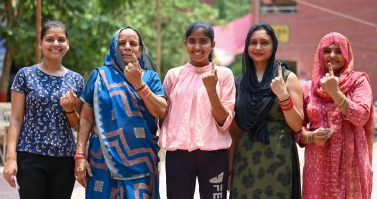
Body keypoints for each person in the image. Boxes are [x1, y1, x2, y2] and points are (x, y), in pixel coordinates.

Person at [74, 27, 166, 199]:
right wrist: (79, 156)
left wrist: (139, 84)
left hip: (141, 160)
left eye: (133, 43)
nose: (127, 47)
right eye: (121, 43)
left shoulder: (150, 78)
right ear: (113, 47)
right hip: (102, 156)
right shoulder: (99, 76)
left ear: (140, 50)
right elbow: (86, 118)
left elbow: (161, 110)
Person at [3, 20, 84, 199]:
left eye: (61, 39)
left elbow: (79, 126)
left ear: (67, 44)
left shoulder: (76, 80)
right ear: (40, 44)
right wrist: (10, 159)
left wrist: (69, 109)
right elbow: (16, 120)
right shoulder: (25, 75)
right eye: (50, 39)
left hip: (64, 159)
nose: (56, 44)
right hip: (30, 155)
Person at [159, 21, 236, 199]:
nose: (197, 46)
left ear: (213, 44)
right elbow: (163, 115)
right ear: (185, 43)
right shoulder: (173, 75)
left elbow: (224, 121)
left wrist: (211, 89)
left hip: (213, 155)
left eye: (203, 41)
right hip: (178, 154)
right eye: (192, 41)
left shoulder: (224, 75)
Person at [229, 22, 304, 199]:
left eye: (264, 42)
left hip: (279, 157)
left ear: (274, 45)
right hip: (245, 159)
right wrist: (230, 168)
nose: (258, 47)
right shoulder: (239, 83)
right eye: (253, 42)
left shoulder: (287, 78)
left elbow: (297, 124)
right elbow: (234, 132)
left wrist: (283, 95)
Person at [296, 32, 374, 198]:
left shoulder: (358, 82)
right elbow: (296, 128)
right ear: (320, 54)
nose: (332, 55)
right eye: (327, 51)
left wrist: (335, 92)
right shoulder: (309, 88)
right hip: (317, 164)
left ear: (347, 54)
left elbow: (361, 117)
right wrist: (310, 137)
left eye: (338, 51)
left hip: (351, 165)